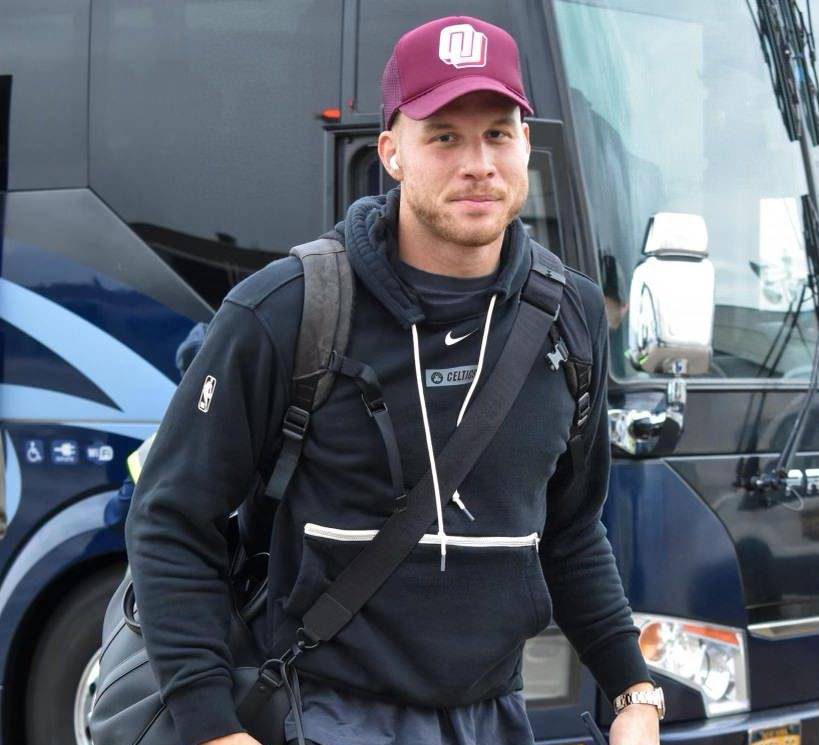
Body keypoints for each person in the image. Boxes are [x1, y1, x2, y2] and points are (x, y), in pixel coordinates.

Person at [125, 14, 664, 745]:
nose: (477, 162)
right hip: (324, 711)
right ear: (391, 152)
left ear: (526, 145)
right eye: (443, 135)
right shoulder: (287, 309)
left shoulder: (567, 317)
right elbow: (170, 518)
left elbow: (570, 532)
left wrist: (633, 689)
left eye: (498, 133)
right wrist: (211, 727)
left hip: (495, 717)